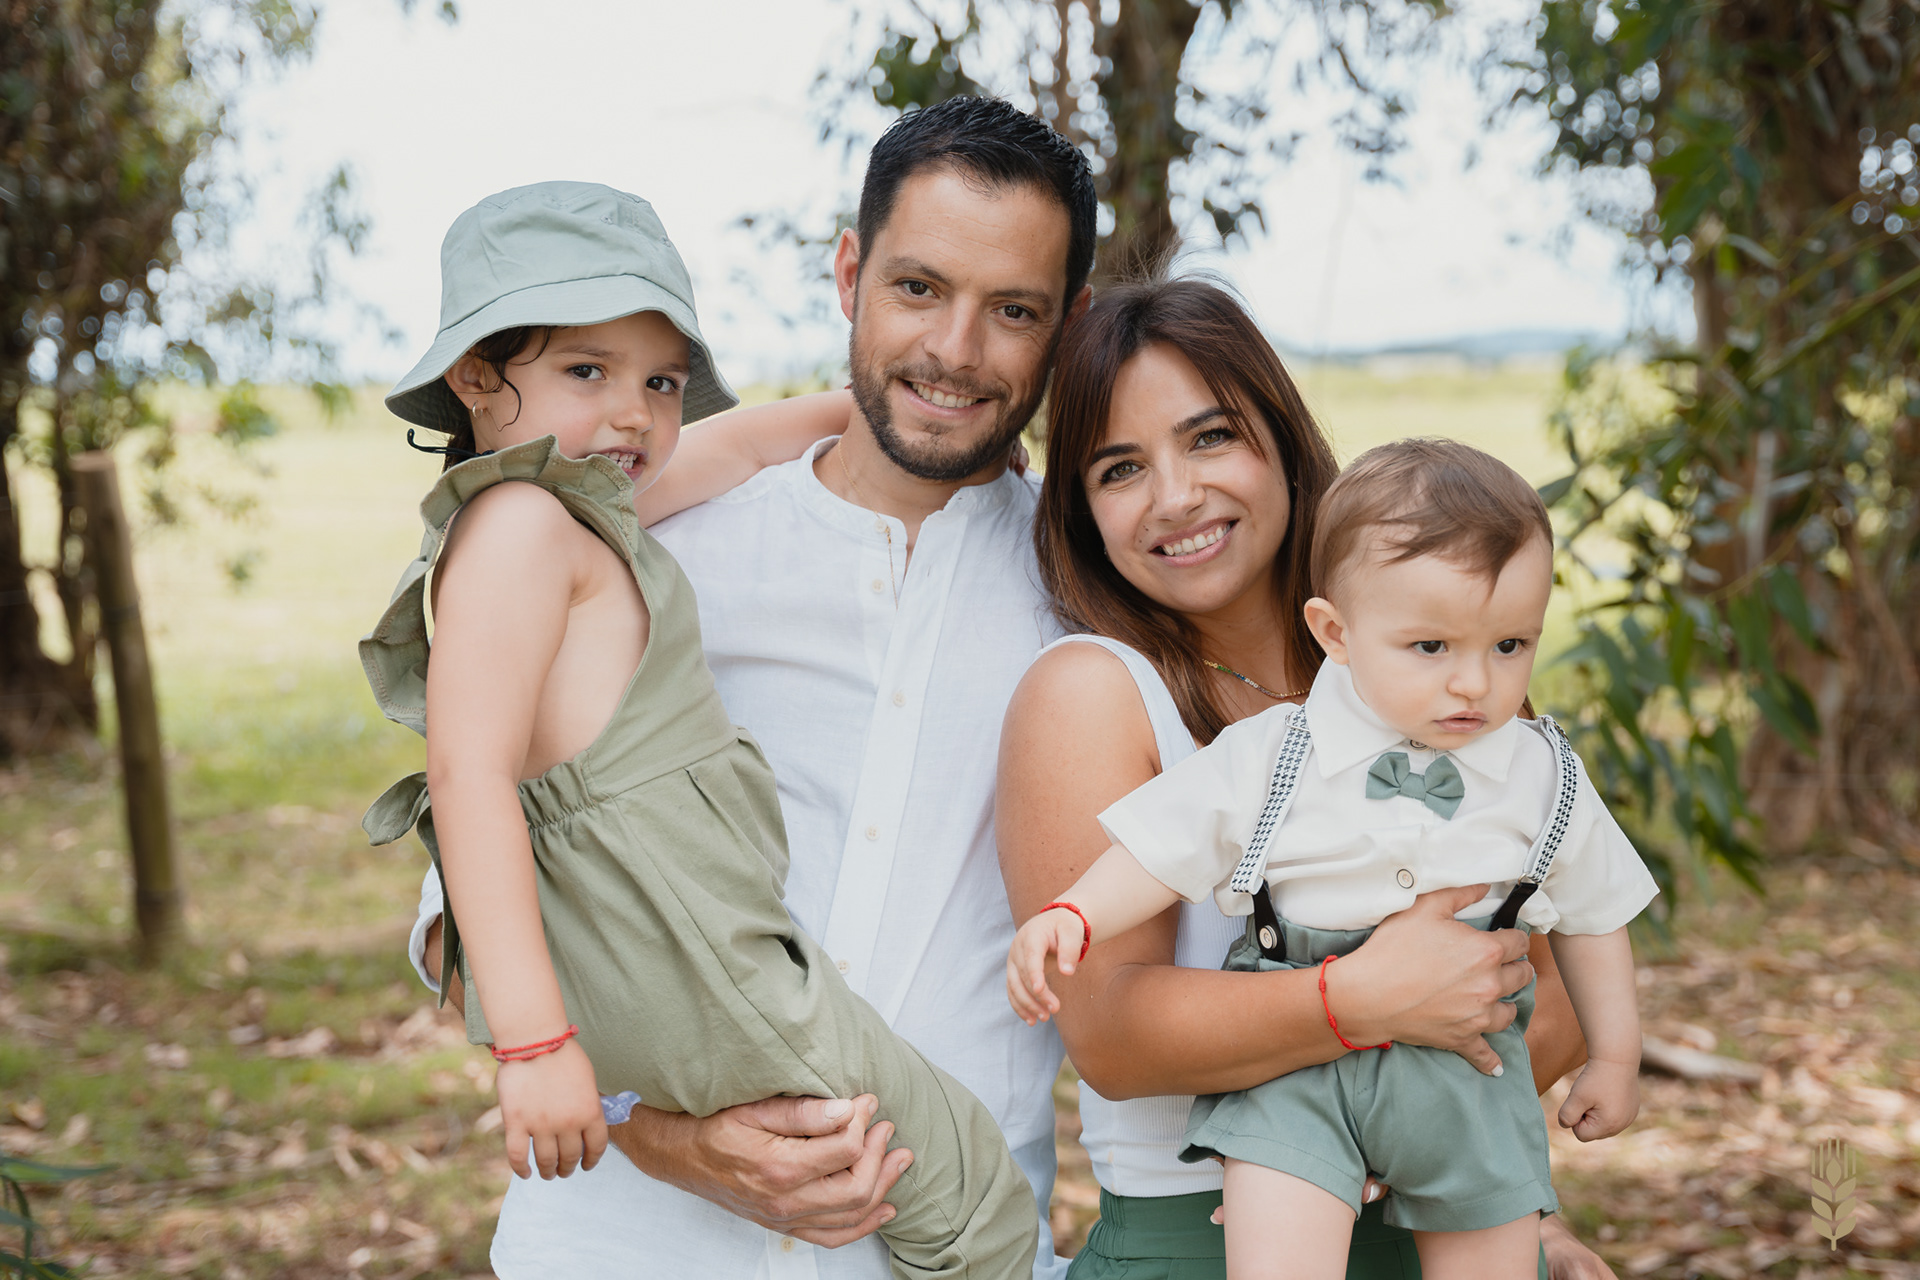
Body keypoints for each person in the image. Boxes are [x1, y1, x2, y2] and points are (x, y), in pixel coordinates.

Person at [366, 179, 1037, 1280]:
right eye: (588, 371)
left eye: (662, 380)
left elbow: (726, 452)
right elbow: (468, 776)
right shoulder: (522, 527)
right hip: (687, 950)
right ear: (476, 376)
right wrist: (536, 1044)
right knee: (965, 1196)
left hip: (680, 946)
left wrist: (874, 413)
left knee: (921, 1169)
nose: (636, 413)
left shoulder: (590, 507)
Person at [995, 277, 1629, 1280]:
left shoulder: (1438, 661)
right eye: (1120, 468)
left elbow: (1545, 986)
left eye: (1210, 438)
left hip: (1442, 1209)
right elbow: (1111, 1030)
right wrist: (1357, 1008)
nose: (1176, 495)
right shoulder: (1093, 689)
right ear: (1084, 508)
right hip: (1211, 1234)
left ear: (1284, 445)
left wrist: (1442, 1152)